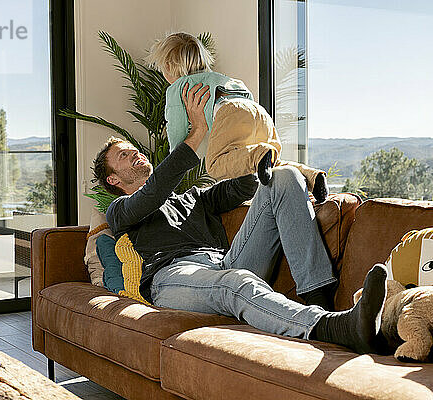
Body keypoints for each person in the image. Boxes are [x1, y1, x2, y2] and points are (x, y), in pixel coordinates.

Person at [93, 80, 388, 355]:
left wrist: (252, 153)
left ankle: (319, 300)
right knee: (237, 282)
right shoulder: (120, 210)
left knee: (282, 177)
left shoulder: (193, 197)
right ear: (114, 179)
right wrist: (197, 132)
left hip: (225, 262)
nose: (134, 154)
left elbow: (240, 184)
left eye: (133, 150)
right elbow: (154, 193)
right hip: (172, 279)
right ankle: (334, 328)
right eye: (123, 156)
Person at [145, 32, 328, 201]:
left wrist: (174, 157)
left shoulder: (178, 87)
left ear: (168, 66)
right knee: (272, 162)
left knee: (215, 165)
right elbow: (246, 101)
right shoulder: (222, 78)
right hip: (259, 112)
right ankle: (312, 177)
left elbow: (176, 132)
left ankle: (260, 153)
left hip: (228, 112)